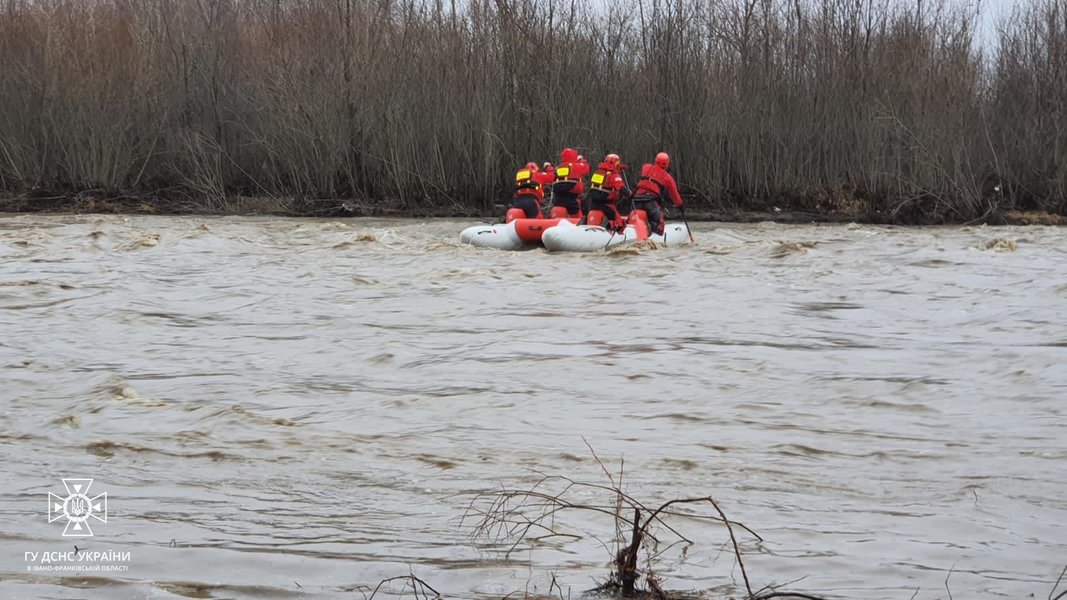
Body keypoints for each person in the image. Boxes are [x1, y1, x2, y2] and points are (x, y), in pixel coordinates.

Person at [630, 151, 682, 235]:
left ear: (655, 160)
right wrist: (680, 205)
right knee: (659, 223)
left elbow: (650, 171)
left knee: (633, 217)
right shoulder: (667, 177)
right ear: (667, 163)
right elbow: (674, 194)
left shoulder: (645, 167)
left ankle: (637, 230)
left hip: (636, 200)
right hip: (651, 203)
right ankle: (652, 232)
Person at [584, 153, 630, 232]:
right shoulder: (614, 175)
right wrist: (629, 194)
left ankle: (585, 223)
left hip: (594, 204)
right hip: (606, 205)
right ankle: (612, 228)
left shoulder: (598, 173)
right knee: (618, 220)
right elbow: (620, 187)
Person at [548, 147, 589, 218]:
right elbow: (586, 168)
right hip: (571, 200)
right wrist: (581, 160)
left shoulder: (559, 168)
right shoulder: (576, 166)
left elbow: (550, 177)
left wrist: (548, 167)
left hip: (558, 199)